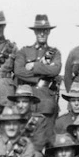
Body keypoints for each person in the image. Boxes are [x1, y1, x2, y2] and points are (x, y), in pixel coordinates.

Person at [14, 14, 62, 147]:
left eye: (45, 30)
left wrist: (34, 66)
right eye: (39, 30)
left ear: (49, 32)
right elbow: (18, 71)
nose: (42, 33)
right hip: (28, 101)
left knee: (48, 140)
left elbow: (55, 70)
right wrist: (41, 76)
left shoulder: (55, 53)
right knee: (27, 140)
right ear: (35, 32)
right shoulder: (24, 51)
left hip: (46, 101)